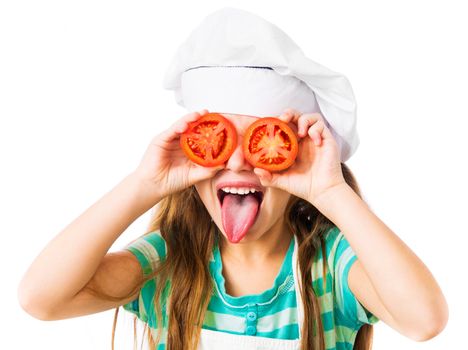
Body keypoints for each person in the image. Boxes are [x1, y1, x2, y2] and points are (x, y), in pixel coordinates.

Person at [18, 7, 448, 350]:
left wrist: (331, 191)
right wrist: (143, 185)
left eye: (264, 143)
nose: (240, 162)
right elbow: (41, 299)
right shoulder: (169, 262)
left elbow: (424, 321)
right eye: (216, 142)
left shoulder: (330, 267)